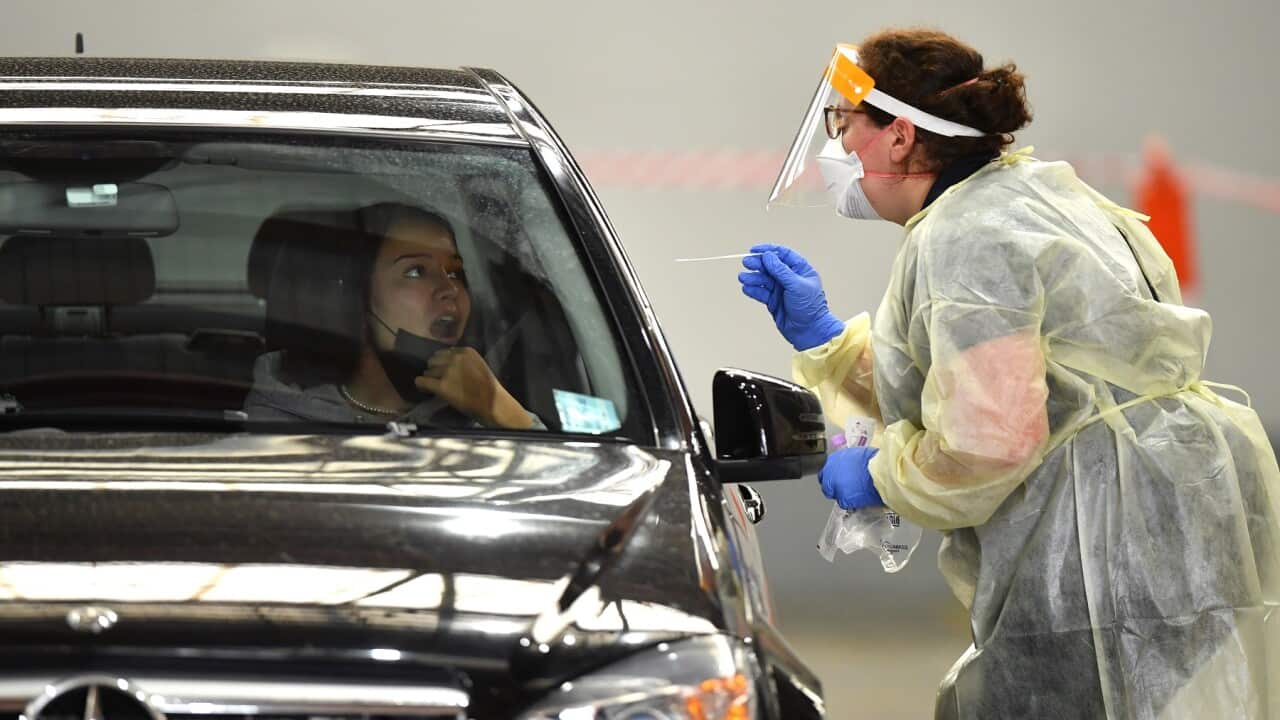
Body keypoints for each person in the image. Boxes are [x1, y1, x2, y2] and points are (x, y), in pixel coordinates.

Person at [740, 29, 1279, 720]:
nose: (840, 149)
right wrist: (828, 342)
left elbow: (990, 436)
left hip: (1104, 540)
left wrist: (877, 476)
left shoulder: (968, 236)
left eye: (848, 127)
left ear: (900, 137)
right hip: (1157, 516)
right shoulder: (1014, 197)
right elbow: (986, 385)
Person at [244, 202, 542, 430]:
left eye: (454, 272)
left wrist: (500, 411)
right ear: (357, 299)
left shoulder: (481, 411)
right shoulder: (282, 416)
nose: (449, 288)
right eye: (415, 271)